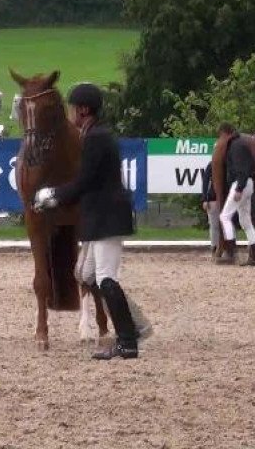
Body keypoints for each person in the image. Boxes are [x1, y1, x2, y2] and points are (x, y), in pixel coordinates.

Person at [33, 82, 151, 360]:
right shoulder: (93, 135)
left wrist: (53, 195)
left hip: (107, 217)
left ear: (84, 109)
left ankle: (128, 340)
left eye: (75, 108)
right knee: (85, 275)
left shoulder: (97, 137)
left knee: (106, 279)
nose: (72, 113)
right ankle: (136, 324)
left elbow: (84, 182)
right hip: (99, 216)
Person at [216, 122, 255, 266]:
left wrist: (239, 188)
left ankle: (230, 252)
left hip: (240, 184)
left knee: (225, 216)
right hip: (248, 184)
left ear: (225, 133)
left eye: (221, 136)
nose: (220, 139)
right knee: (245, 221)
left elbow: (242, 169)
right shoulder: (240, 144)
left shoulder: (235, 146)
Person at [201, 161, 220, 257]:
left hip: (226, 200)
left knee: (220, 226)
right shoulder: (212, 165)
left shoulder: (231, 163)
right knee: (214, 225)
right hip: (213, 199)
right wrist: (205, 199)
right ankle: (215, 247)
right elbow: (205, 181)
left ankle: (224, 247)